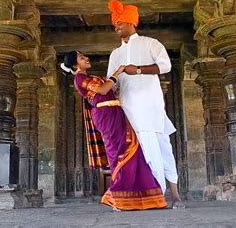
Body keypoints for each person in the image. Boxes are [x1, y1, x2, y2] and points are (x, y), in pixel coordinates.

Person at [60, 51, 167, 211]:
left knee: (133, 151)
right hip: (105, 115)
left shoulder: (91, 77)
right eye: (82, 58)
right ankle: (117, 197)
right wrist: (118, 72)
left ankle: (139, 198)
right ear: (75, 65)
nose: (87, 58)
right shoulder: (79, 79)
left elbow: (109, 89)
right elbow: (103, 90)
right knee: (119, 154)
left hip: (115, 112)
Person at [106, 0, 185, 209]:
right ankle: (143, 198)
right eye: (115, 24)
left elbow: (165, 66)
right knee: (134, 155)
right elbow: (111, 83)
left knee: (163, 150)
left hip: (151, 107)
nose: (117, 26)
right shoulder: (115, 54)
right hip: (128, 110)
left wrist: (138, 69)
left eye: (120, 22)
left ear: (132, 22)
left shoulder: (151, 43)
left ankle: (175, 196)